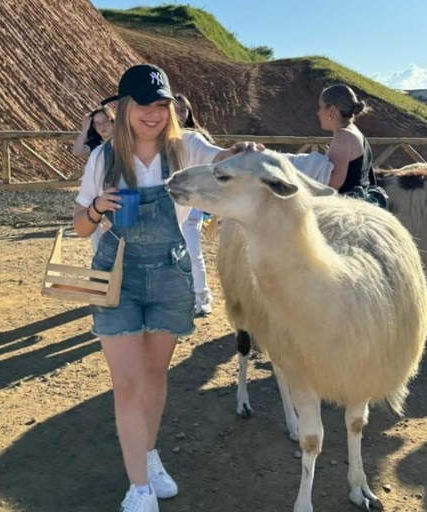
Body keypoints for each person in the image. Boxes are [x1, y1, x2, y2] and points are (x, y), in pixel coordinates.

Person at [72, 63, 261, 512]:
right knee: (126, 383)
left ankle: (149, 454)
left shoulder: (184, 148)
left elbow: (221, 157)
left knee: (155, 375)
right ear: (123, 108)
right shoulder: (104, 158)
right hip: (116, 277)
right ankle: (138, 489)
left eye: (161, 105)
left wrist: (241, 152)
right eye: (143, 105)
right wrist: (98, 206)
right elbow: (80, 227)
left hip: (170, 276)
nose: (153, 114)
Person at [174, 93, 214, 316]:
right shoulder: (163, 137)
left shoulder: (197, 137)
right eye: (176, 109)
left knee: (192, 250)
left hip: (192, 203)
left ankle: (202, 295)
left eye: (183, 109)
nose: (180, 114)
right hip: (171, 203)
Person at [316, 84, 376, 193]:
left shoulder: (343, 137)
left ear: (332, 110)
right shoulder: (354, 131)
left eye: (320, 107)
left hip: (347, 207)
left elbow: (331, 185)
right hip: (360, 204)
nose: (318, 113)